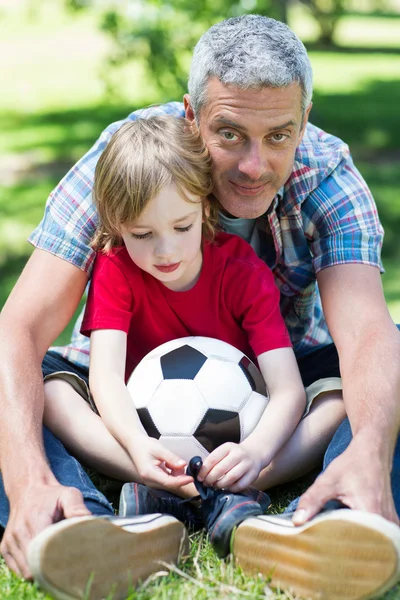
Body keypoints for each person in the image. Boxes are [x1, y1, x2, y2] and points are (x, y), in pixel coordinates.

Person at [0, 12, 399, 600]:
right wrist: (24, 472)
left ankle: (339, 516)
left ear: (304, 121)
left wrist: (369, 446)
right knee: (14, 382)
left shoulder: (328, 178)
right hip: (116, 405)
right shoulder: (132, 164)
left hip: (273, 390)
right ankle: (78, 522)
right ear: (191, 116)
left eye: (279, 135)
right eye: (230, 133)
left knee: (389, 371)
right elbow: (20, 326)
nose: (254, 165)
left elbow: (366, 334)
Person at [42, 114, 345, 547]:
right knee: (47, 389)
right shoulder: (115, 268)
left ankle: (227, 485)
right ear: (116, 226)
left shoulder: (242, 272)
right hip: (139, 430)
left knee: (339, 396)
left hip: (243, 439)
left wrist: (256, 453)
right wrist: (135, 445)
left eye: (182, 227)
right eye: (142, 234)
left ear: (205, 208)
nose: (164, 251)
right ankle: (141, 496)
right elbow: (105, 377)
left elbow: (288, 391)